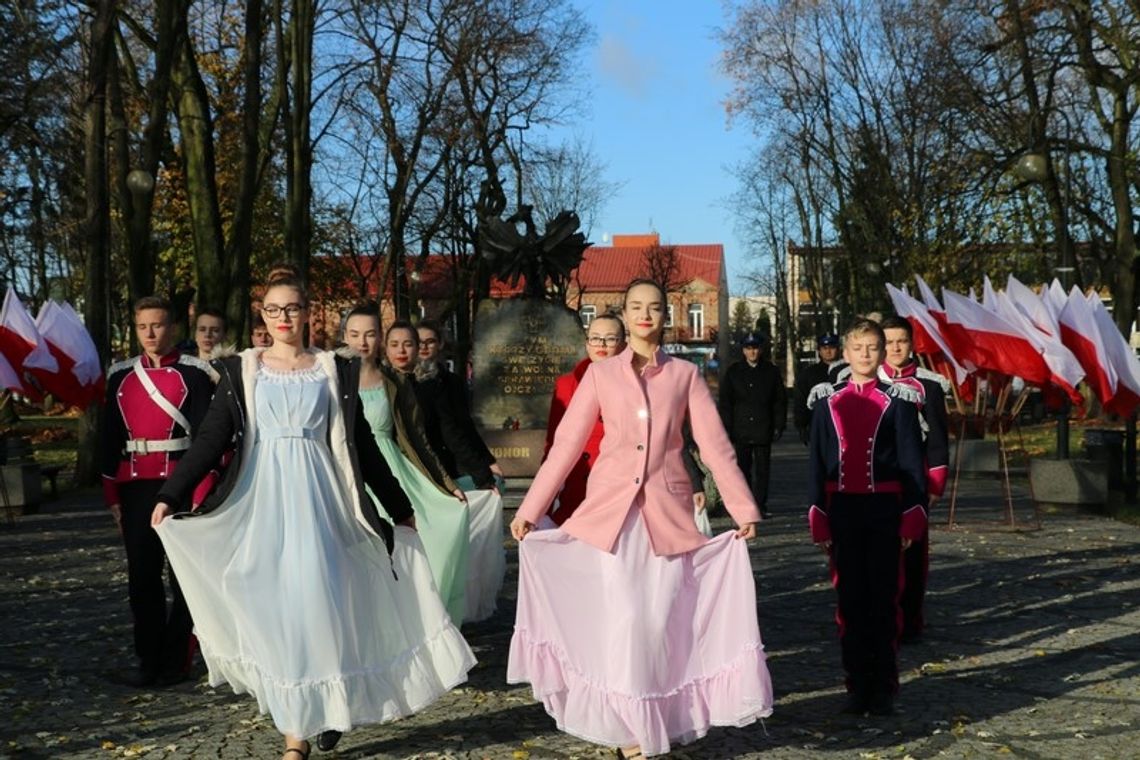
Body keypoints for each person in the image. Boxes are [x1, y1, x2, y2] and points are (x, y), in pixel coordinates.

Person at [150, 276, 475, 760]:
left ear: (308, 314)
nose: (284, 318)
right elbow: (211, 439)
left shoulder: (331, 370)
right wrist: (171, 495)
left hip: (325, 504)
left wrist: (400, 506)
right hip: (263, 505)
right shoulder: (242, 371)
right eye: (274, 310)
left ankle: (326, 708)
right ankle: (295, 732)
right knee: (278, 610)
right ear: (263, 316)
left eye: (294, 308)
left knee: (323, 606)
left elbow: (361, 446)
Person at [508, 278, 774, 758]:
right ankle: (635, 729)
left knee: (658, 622)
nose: (646, 314)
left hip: (667, 517)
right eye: (636, 307)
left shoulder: (685, 376)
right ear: (625, 315)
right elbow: (566, 446)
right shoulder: (600, 375)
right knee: (627, 619)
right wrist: (531, 508)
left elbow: (713, 447)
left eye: (654, 307)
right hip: (610, 519)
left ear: (665, 315)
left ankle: (658, 718)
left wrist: (741, 507)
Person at [805, 318, 927, 717]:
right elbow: (817, 464)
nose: (865, 355)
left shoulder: (900, 403)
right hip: (843, 511)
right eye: (858, 348)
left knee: (884, 600)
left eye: (873, 348)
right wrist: (817, 516)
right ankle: (856, 684)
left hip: (884, 511)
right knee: (850, 602)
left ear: (881, 353)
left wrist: (912, 517)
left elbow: (912, 466)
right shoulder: (827, 403)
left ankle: (884, 686)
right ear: (845, 353)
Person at [102, 296, 218, 688]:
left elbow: (207, 439)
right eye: (142, 327)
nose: (150, 334)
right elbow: (109, 441)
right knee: (142, 578)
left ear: (173, 329)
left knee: (184, 579)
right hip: (136, 488)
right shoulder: (120, 376)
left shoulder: (196, 375)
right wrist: (112, 498)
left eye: (158, 325)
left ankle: (176, 659)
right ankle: (148, 659)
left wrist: (201, 493)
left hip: (181, 485)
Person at [344, 311, 470, 624]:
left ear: (379, 340)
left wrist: (446, 483)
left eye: (371, 334)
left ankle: (415, 618)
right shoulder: (333, 378)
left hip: (392, 468)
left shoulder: (395, 383)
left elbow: (416, 437)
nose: (363, 341)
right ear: (344, 336)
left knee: (419, 537)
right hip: (350, 470)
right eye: (356, 334)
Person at [544, 314, 708, 529]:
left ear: (623, 344)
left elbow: (670, 440)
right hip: (578, 490)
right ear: (586, 343)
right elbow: (553, 447)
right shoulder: (566, 385)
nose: (601, 345)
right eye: (595, 338)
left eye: (610, 339)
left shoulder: (643, 382)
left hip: (626, 489)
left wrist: (694, 483)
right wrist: (541, 509)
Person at [880, 316, 950, 643]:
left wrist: (935, 483)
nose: (895, 348)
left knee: (912, 555)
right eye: (889, 341)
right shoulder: (861, 378)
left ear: (912, 344)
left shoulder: (929, 385)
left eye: (901, 341)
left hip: (913, 483)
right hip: (873, 481)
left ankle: (910, 621)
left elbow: (937, 438)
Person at [415, 321, 503, 490]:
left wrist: (488, 461)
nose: (424, 347)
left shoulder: (452, 382)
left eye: (430, 341)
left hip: (448, 459)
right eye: (418, 342)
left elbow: (464, 425)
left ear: (440, 344)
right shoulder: (405, 380)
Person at [717, 332, 786, 518]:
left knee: (763, 471)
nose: (752, 352)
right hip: (741, 429)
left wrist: (780, 425)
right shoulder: (734, 372)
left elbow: (779, 401)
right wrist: (726, 427)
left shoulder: (771, 371)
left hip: (763, 427)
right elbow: (726, 403)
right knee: (742, 469)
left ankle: (760, 505)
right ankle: (746, 506)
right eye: (748, 348)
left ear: (761, 349)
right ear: (743, 350)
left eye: (755, 348)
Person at [794, 333, 842, 444]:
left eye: (832, 347)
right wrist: (801, 425)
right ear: (819, 350)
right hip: (818, 425)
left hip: (842, 425)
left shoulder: (848, 371)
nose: (828, 351)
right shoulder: (809, 374)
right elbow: (801, 400)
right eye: (824, 348)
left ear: (838, 349)